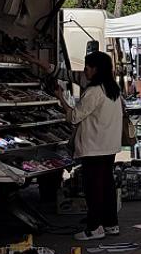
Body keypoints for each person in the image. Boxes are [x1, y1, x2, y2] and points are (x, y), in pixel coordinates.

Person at [53, 52, 124, 240]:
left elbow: (75, 116)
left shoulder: (95, 91)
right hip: (109, 145)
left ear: (96, 69)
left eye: (88, 66)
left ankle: (94, 227)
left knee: (94, 188)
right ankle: (111, 224)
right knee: (107, 186)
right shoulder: (113, 89)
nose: (86, 70)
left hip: (94, 146)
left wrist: (61, 98)